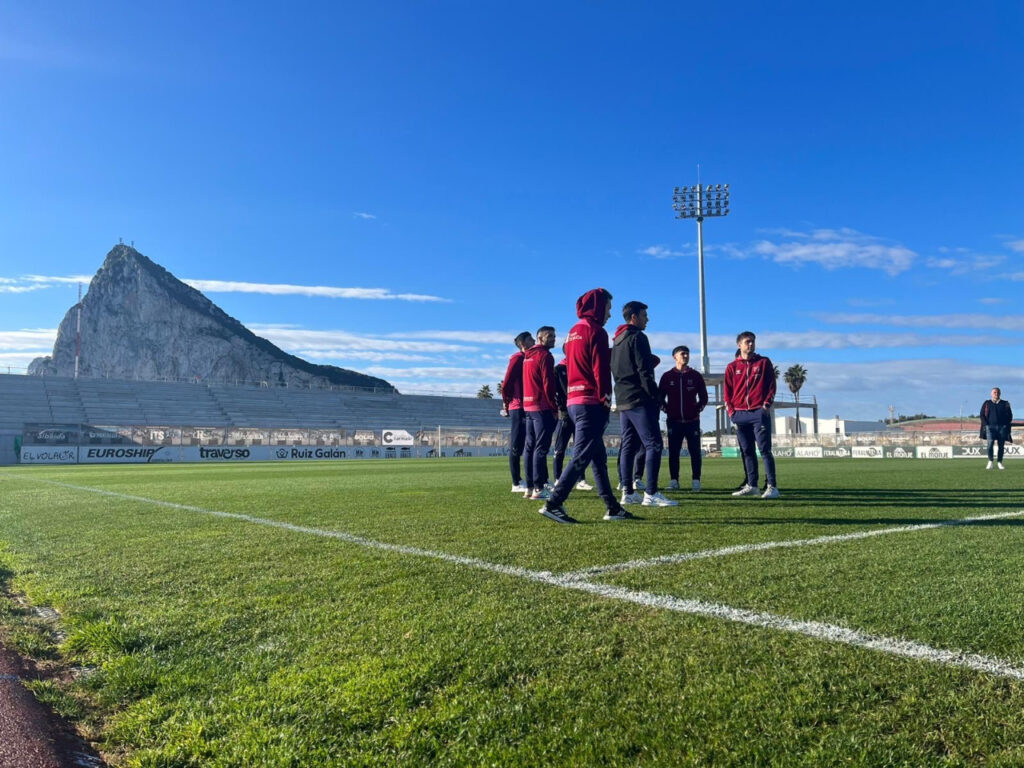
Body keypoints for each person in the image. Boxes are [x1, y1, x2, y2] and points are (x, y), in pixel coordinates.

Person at [539, 288, 631, 523]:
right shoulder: (596, 331)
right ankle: (554, 502)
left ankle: (612, 507)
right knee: (582, 454)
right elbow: (600, 368)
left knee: (597, 457)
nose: (609, 314)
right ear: (599, 307)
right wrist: (606, 397)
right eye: (608, 308)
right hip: (590, 402)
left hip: (574, 401)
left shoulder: (572, 332)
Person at [611, 301, 677, 507]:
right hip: (640, 399)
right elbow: (644, 371)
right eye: (644, 315)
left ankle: (628, 492)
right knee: (654, 444)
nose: (647, 319)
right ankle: (651, 493)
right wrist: (656, 396)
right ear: (634, 317)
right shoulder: (638, 337)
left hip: (622, 399)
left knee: (629, 446)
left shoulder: (617, 339)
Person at [724, 331, 779, 499]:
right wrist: (732, 412)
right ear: (739, 344)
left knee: (764, 450)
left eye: (753, 341)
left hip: (758, 412)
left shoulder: (763, 362)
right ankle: (752, 485)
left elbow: (771, 386)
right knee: (746, 451)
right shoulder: (732, 367)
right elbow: (727, 392)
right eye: (747, 342)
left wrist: (765, 406)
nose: (751, 344)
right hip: (740, 414)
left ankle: (772, 486)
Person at [659, 345, 708, 491]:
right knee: (673, 452)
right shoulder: (667, 376)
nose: (685, 356)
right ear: (675, 357)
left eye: (687, 354)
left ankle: (696, 481)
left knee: (695, 451)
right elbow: (660, 397)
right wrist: (667, 410)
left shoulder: (695, 376)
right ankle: (674, 481)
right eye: (682, 354)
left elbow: (703, 397)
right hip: (674, 422)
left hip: (692, 421)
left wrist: (696, 410)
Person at [522, 326, 558, 499]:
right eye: (549, 336)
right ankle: (538, 487)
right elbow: (548, 384)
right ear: (540, 338)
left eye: (554, 336)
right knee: (540, 448)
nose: (553, 339)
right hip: (541, 406)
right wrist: (554, 407)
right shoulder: (545, 356)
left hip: (528, 406)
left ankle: (529, 487)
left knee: (530, 447)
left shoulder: (527, 356)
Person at [552, 345, 593, 489]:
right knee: (560, 447)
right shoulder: (558, 369)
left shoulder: (581, 366)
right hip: (565, 413)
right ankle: (557, 478)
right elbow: (554, 392)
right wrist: (561, 409)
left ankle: (580, 479)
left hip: (580, 411)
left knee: (580, 446)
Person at [500, 331, 533, 492]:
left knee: (528, 443)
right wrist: (506, 402)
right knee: (516, 444)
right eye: (530, 339)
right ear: (522, 343)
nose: (534, 341)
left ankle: (530, 479)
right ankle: (516, 482)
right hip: (517, 406)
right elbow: (506, 383)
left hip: (528, 405)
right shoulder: (517, 358)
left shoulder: (530, 358)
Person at [980, 387, 1013, 470]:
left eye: (997, 392)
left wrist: (1005, 424)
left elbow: (1010, 416)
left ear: (1000, 393)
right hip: (990, 428)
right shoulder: (987, 403)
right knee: (990, 445)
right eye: (994, 392)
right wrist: (986, 425)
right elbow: (982, 415)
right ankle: (990, 461)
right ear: (991, 394)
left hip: (1002, 428)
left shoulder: (1005, 403)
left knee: (1001, 446)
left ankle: (999, 462)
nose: (996, 394)